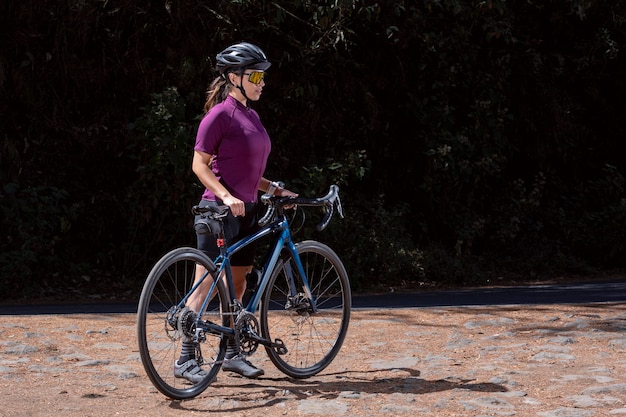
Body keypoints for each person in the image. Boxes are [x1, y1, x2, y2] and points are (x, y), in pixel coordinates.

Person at [174, 42, 298, 383]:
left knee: (238, 285)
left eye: (263, 76)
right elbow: (199, 165)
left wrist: (274, 190)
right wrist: (226, 196)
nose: (262, 82)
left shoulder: (251, 116)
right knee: (206, 287)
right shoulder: (219, 115)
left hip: (248, 210)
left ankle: (230, 352)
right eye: (256, 75)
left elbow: (247, 172)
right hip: (218, 210)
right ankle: (185, 358)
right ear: (234, 77)